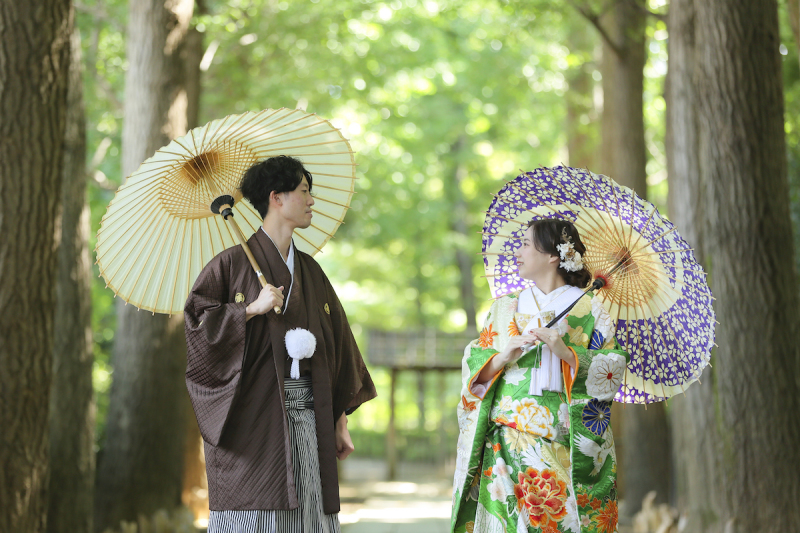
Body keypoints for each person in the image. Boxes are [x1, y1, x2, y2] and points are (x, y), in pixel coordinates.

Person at [184, 155, 376, 533]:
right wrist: (249, 311)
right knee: (258, 513)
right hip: (253, 422)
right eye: (304, 191)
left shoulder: (312, 271)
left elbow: (336, 347)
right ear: (276, 198)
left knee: (308, 516)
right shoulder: (229, 266)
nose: (311, 201)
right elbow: (197, 332)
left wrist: (339, 420)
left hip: (309, 417)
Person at [451, 218, 629, 533]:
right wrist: (503, 355)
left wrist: (566, 352)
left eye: (525, 244)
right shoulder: (504, 308)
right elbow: (474, 363)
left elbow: (612, 368)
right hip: (504, 440)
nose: (517, 252)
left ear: (552, 256)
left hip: (562, 442)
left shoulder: (591, 311)